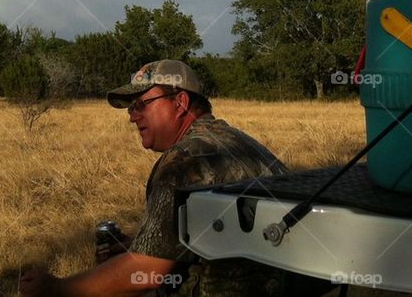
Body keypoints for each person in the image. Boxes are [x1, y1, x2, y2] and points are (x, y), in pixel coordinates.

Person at [18, 59, 303, 296]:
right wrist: (144, 244)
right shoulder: (238, 141)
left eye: (141, 104)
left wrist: (57, 288)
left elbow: (147, 271)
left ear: (180, 102)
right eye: (131, 108)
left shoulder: (184, 161)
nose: (132, 117)